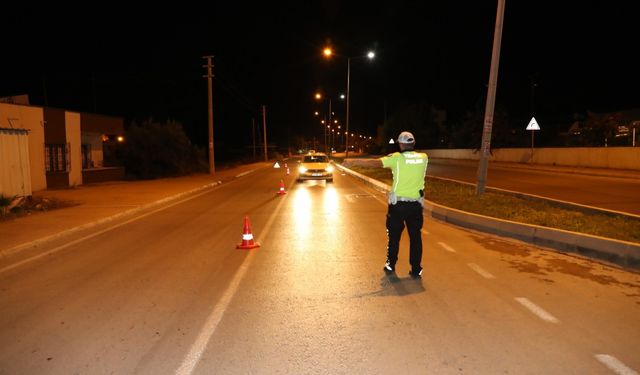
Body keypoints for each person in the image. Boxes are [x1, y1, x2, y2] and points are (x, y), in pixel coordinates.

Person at [343, 131, 428, 278]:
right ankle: (416, 269)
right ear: (413, 143)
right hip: (416, 206)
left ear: (401, 144)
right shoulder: (423, 158)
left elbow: (374, 163)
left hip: (398, 206)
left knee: (394, 236)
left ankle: (391, 265)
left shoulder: (396, 158)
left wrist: (353, 161)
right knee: (415, 237)